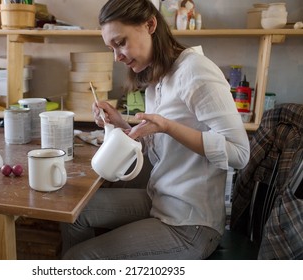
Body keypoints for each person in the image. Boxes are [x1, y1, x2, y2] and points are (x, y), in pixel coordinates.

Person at [60, 0, 250, 260]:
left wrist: (170, 127)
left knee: (79, 259)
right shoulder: (157, 80)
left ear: (150, 24)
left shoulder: (195, 71)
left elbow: (239, 153)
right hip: (160, 200)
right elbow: (156, 151)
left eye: (121, 42)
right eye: (111, 48)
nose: (117, 57)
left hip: (190, 222)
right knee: (73, 213)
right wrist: (121, 125)